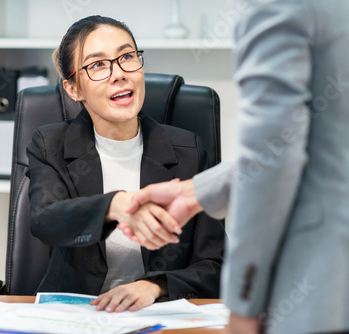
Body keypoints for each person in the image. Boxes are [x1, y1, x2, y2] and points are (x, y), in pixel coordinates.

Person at [124, 0, 349, 333]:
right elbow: (321, 145)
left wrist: (244, 306)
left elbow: (272, 156)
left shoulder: (278, 5)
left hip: (323, 285)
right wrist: (192, 192)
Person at [25, 15, 226, 313]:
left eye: (127, 57)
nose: (118, 74)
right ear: (73, 89)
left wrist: (156, 285)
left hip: (160, 315)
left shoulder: (189, 151)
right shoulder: (49, 144)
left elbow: (217, 263)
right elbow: (46, 221)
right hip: (76, 316)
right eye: (97, 65)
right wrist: (115, 206)